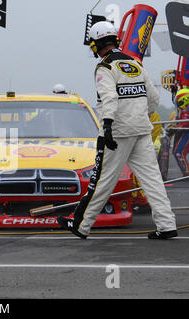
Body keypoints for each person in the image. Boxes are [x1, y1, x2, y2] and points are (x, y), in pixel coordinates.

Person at [57, 21, 178, 240]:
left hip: (117, 133)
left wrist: (109, 125)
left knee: (101, 180)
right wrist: (138, 114)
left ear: (97, 44)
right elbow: (153, 100)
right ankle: (167, 224)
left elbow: (110, 98)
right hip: (141, 129)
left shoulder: (105, 67)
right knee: (152, 180)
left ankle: (81, 225)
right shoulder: (136, 63)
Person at [171, 88, 189, 176]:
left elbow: (184, 123)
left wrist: (174, 129)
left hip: (187, 133)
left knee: (179, 152)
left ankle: (187, 173)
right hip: (186, 133)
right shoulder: (184, 110)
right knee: (181, 152)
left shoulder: (187, 109)